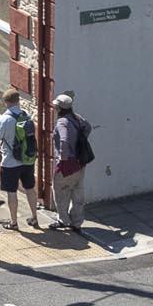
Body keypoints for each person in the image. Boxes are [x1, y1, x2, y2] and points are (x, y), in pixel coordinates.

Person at [0, 89, 43, 231]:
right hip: (27, 160)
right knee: (30, 189)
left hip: (10, 163)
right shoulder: (26, 116)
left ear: (5, 102)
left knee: (12, 192)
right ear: (18, 101)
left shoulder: (4, 120)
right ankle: (34, 218)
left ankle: (14, 222)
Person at [49, 92, 92, 232]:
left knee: (60, 192)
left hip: (67, 165)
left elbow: (64, 140)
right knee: (77, 192)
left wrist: (63, 158)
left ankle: (63, 220)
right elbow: (88, 127)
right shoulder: (77, 118)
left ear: (59, 108)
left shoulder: (62, 122)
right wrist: (80, 142)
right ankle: (77, 222)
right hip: (80, 162)